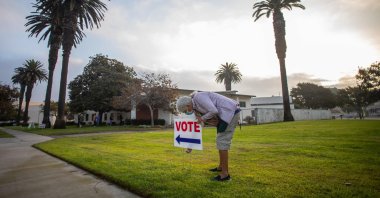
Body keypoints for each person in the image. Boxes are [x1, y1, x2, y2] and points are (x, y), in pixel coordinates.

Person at [176, 91, 240, 181]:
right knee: (220, 140)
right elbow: (198, 127)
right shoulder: (195, 108)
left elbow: (213, 111)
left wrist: (202, 118)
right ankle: (221, 167)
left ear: (187, 106)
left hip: (231, 112)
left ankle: (225, 175)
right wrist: (190, 146)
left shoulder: (198, 97)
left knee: (222, 141)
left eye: (185, 111)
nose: (187, 113)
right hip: (224, 114)